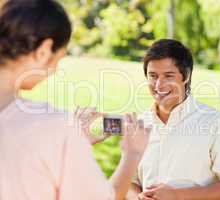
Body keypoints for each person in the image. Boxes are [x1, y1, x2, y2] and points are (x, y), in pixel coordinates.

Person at [0, 1, 150, 200]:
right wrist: (133, 154)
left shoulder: (52, 132)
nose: (55, 70)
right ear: (44, 51)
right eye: (58, 59)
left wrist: (76, 145)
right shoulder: (53, 127)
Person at [125, 39, 220, 200]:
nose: (159, 85)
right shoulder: (139, 125)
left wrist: (177, 195)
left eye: (168, 76)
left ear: (186, 76)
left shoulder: (217, 124)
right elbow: (129, 181)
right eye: (153, 76)